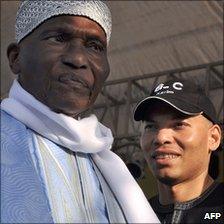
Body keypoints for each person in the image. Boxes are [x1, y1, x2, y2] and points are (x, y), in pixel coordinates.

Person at [0, 1, 160, 223]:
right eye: (59, 38)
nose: (77, 59)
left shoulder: (106, 161)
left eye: (94, 47)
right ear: (16, 58)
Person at [133, 78, 224, 223]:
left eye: (179, 125)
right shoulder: (130, 215)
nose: (161, 137)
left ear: (213, 138)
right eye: (151, 126)